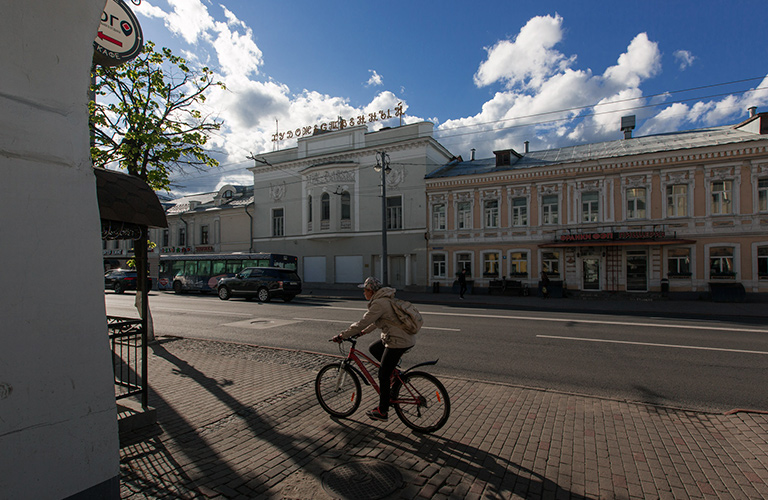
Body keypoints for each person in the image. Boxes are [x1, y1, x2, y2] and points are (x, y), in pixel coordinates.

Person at [332, 277, 415, 421]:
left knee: (382, 375)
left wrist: (342, 335)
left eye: (365, 290)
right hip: (402, 338)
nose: (363, 293)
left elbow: (363, 322)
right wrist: (363, 333)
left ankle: (382, 411)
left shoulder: (378, 303)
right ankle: (395, 375)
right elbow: (377, 322)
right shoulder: (385, 300)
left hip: (398, 341)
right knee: (374, 348)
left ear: (371, 291)